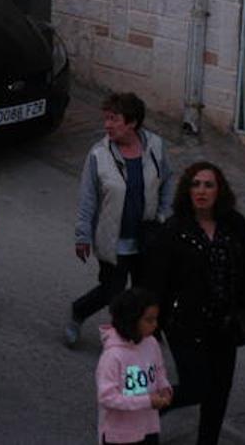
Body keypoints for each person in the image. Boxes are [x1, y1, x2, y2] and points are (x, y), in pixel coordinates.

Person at [146, 162, 245, 445]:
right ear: (187, 191)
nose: (201, 191)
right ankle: (149, 411)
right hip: (185, 325)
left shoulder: (235, 224)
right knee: (196, 387)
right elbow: (155, 284)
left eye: (208, 185)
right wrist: (150, 327)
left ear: (219, 190)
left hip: (225, 324)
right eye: (195, 184)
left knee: (220, 392)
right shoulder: (173, 230)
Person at [68, 92, 176, 347]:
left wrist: (163, 213)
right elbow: (87, 199)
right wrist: (82, 235)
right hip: (112, 239)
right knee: (111, 293)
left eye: (113, 119)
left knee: (144, 292)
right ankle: (79, 312)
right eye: (106, 119)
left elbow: (168, 179)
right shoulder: (99, 155)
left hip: (145, 237)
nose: (107, 125)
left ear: (132, 122)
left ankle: (137, 341)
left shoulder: (155, 147)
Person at [96, 287, 172, 445]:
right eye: (149, 320)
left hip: (148, 428)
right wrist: (147, 401)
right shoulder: (113, 356)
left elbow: (159, 371)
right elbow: (107, 397)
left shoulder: (151, 344)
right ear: (131, 320)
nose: (155, 325)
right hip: (120, 436)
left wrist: (165, 388)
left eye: (156, 319)